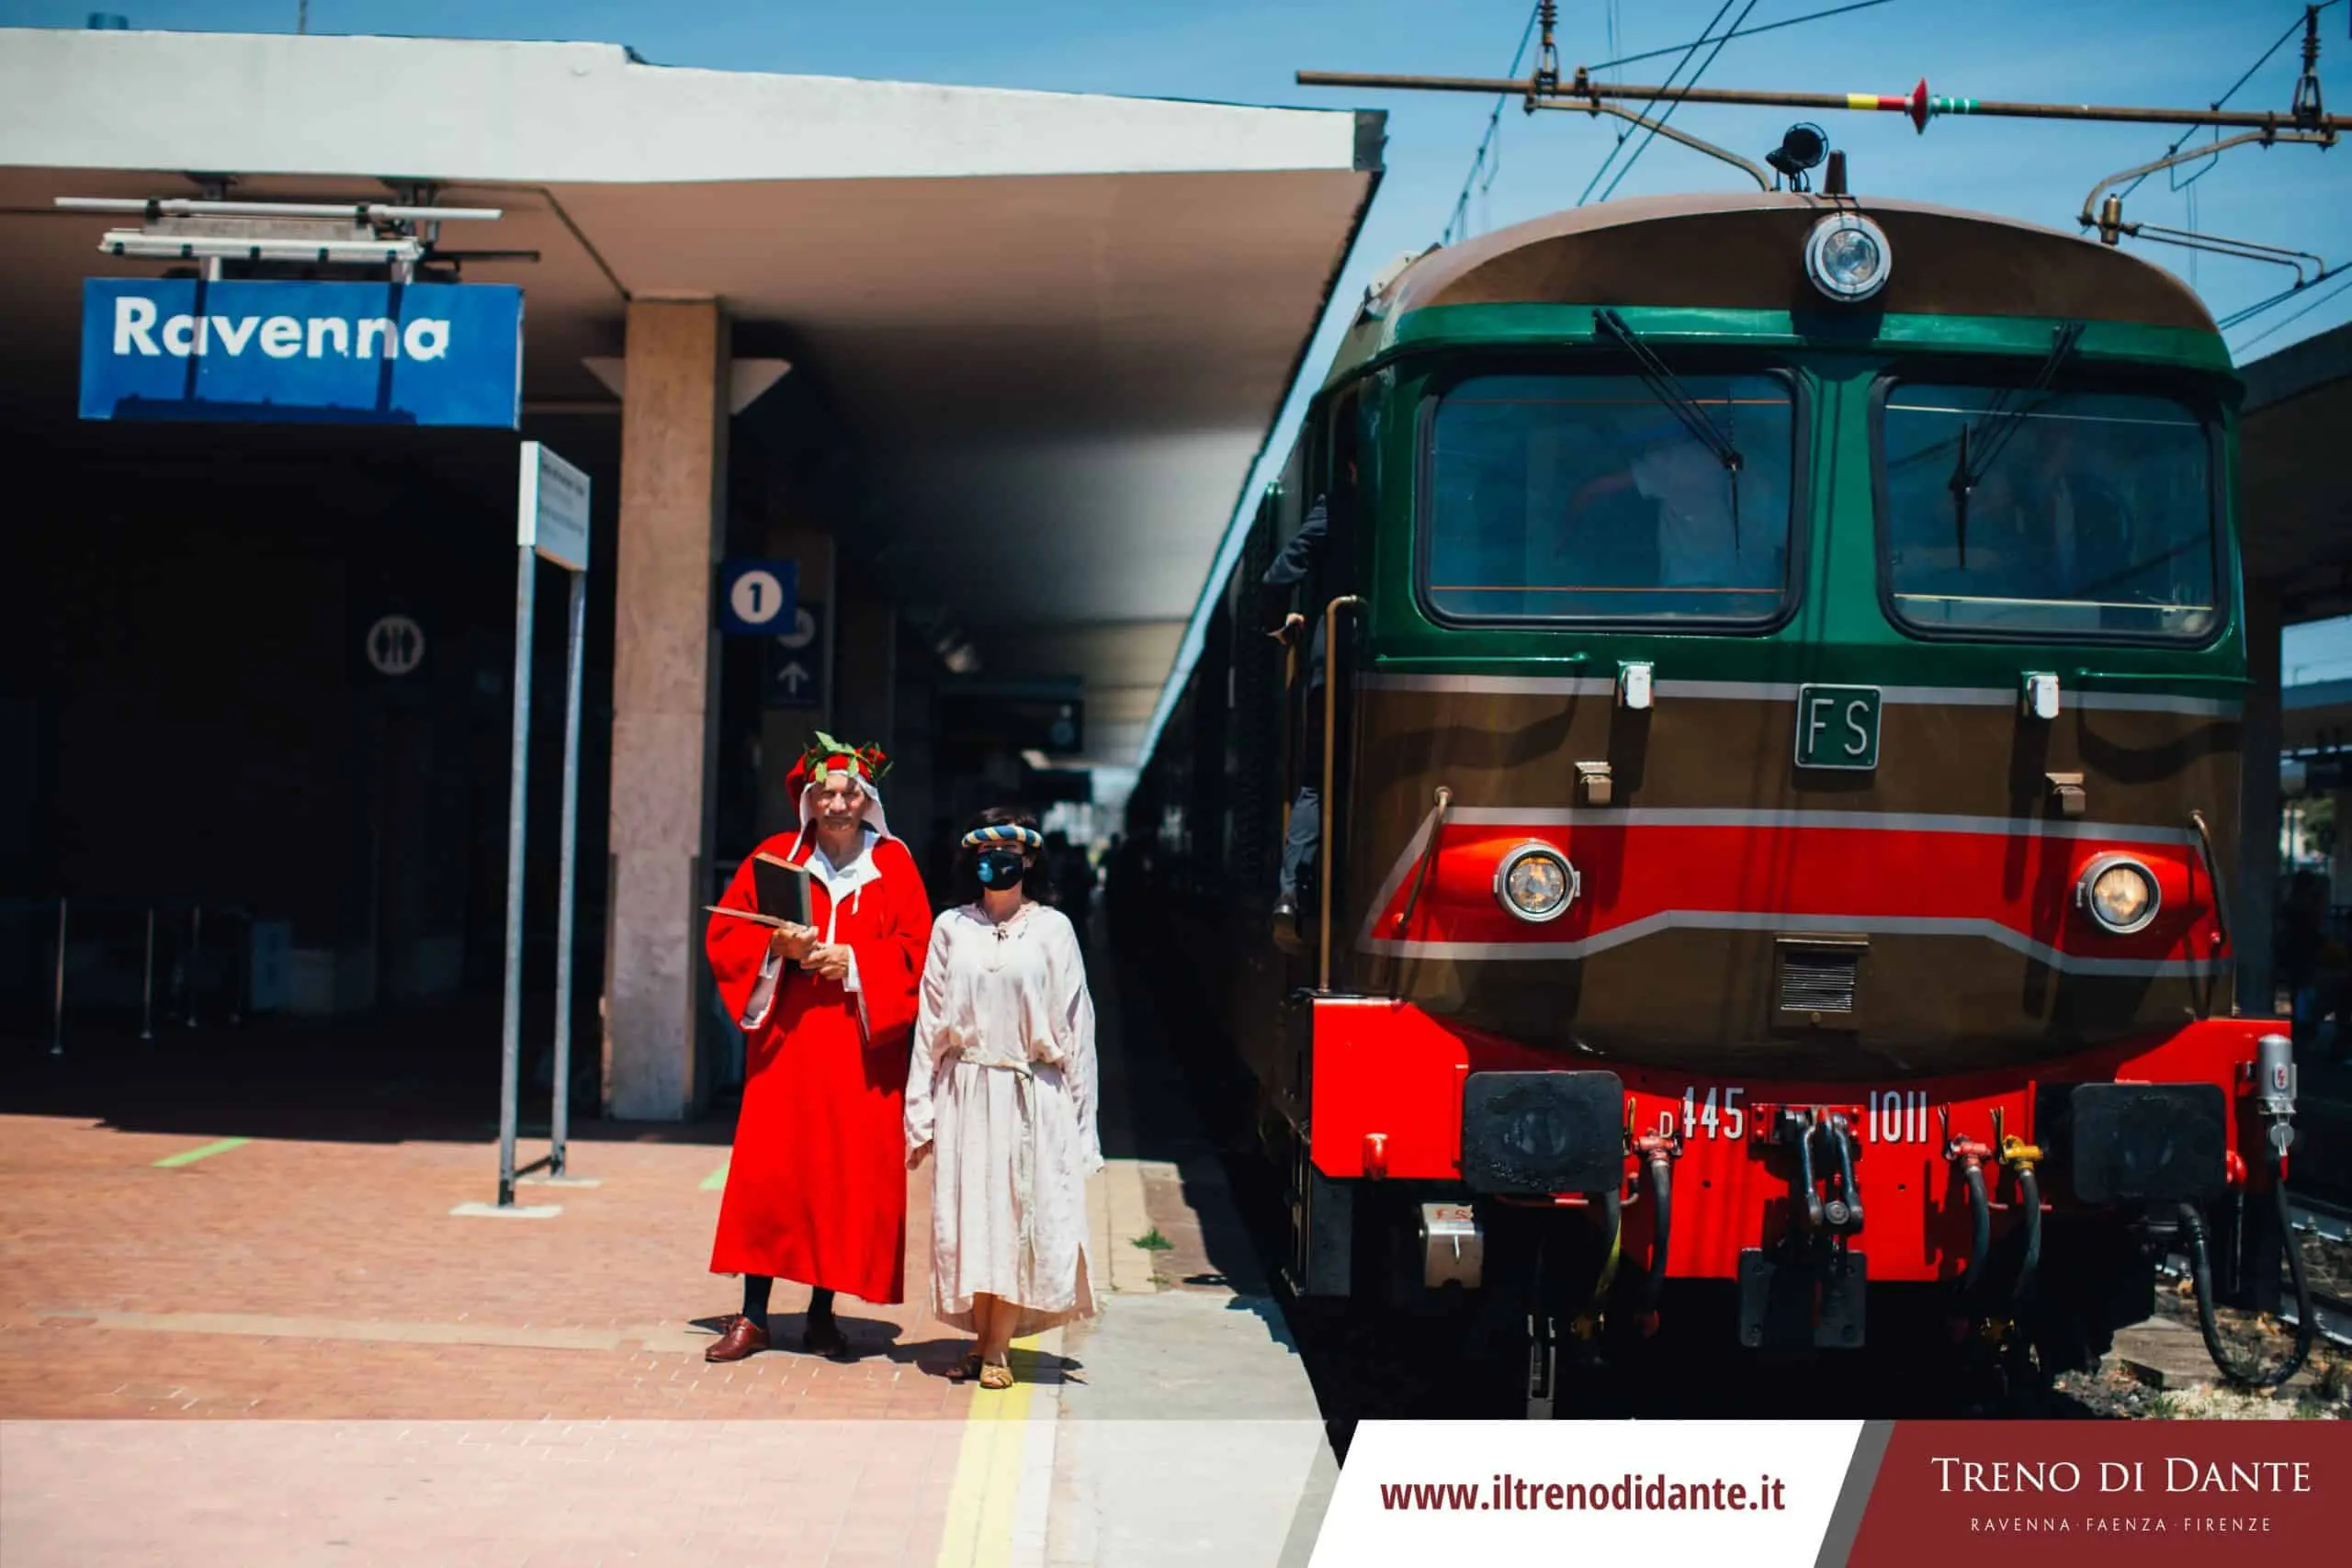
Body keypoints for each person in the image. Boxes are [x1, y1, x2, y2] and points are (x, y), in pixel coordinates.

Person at [702, 734, 934, 1362]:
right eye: (826, 791)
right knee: (770, 1176)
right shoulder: (776, 858)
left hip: (860, 1051)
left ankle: (822, 1313)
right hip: (787, 1047)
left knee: (840, 1175)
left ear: (867, 798)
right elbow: (726, 931)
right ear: (809, 797)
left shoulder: (895, 867)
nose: (837, 802)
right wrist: (776, 949)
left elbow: (919, 953)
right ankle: (752, 1316)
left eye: (849, 791)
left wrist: (853, 960)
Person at [905, 808, 1102, 1389]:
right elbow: (929, 1024)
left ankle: (995, 1350)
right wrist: (921, 1112)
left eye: (1012, 854)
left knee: (1018, 1215)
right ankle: (982, 1340)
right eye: (988, 855)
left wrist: (1080, 1119)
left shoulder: (1053, 930)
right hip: (966, 1090)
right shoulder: (951, 928)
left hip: (1029, 1093)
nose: (999, 865)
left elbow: (1077, 1027)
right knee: (973, 1218)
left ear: (1030, 860)